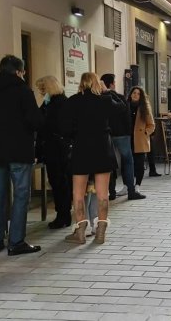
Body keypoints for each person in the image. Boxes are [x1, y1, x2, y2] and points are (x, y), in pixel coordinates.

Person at [0, 55, 44, 255]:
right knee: (21, 196)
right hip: (20, 152)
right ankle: (16, 242)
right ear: (19, 71)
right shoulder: (23, 91)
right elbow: (35, 121)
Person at [60, 72, 123, 245]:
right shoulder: (104, 100)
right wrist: (107, 92)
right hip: (102, 149)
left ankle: (80, 232)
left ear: (81, 83)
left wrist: (75, 136)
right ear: (97, 83)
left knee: (78, 194)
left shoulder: (72, 101)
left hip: (81, 149)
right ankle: (101, 232)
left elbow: (64, 128)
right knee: (103, 194)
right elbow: (122, 108)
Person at [35, 76, 72, 229]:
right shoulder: (51, 103)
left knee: (59, 183)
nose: (41, 92)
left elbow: (46, 126)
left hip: (57, 150)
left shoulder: (58, 104)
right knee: (58, 183)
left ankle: (63, 215)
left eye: (43, 89)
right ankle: (63, 214)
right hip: (54, 149)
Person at [100, 74, 144, 201]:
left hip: (107, 134)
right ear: (112, 84)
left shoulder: (99, 98)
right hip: (122, 135)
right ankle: (131, 191)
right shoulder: (118, 98)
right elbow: (126, 116)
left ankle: (112, 192)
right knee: (128, 161)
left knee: (110, 163)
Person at [128, 86, 156, 191]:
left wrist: (145, 133)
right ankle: (127, 185)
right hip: (128, 139)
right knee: (127, 164)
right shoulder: (126, 106)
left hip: (140, 139)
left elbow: (151, 125)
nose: (136, 95)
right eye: (134, 93)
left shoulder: (144, 108)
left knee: (139, 164)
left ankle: (137, 185)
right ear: (130, 94)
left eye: (138, 93)